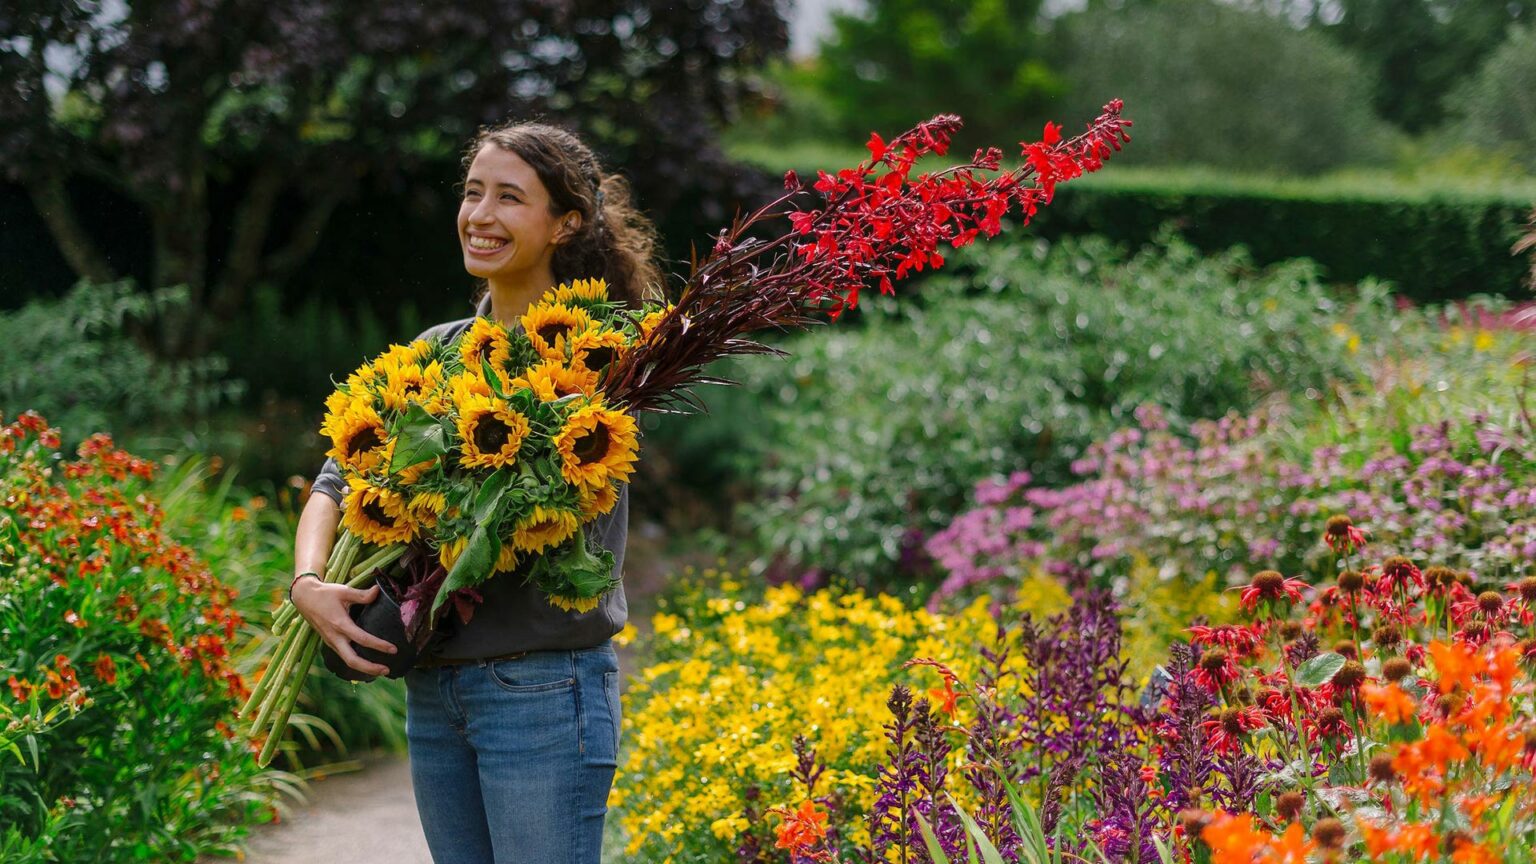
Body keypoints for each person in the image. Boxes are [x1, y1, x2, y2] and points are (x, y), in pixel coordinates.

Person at [288, 120, 664, 864]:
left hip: (543, 691)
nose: (480, 215)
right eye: (472, 193)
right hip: (435, 690)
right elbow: (337, 477)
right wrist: (307, 581)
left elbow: (543, 507)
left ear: (567, 223)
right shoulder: (437, 350)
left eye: (509, 198)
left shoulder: (602, 356)